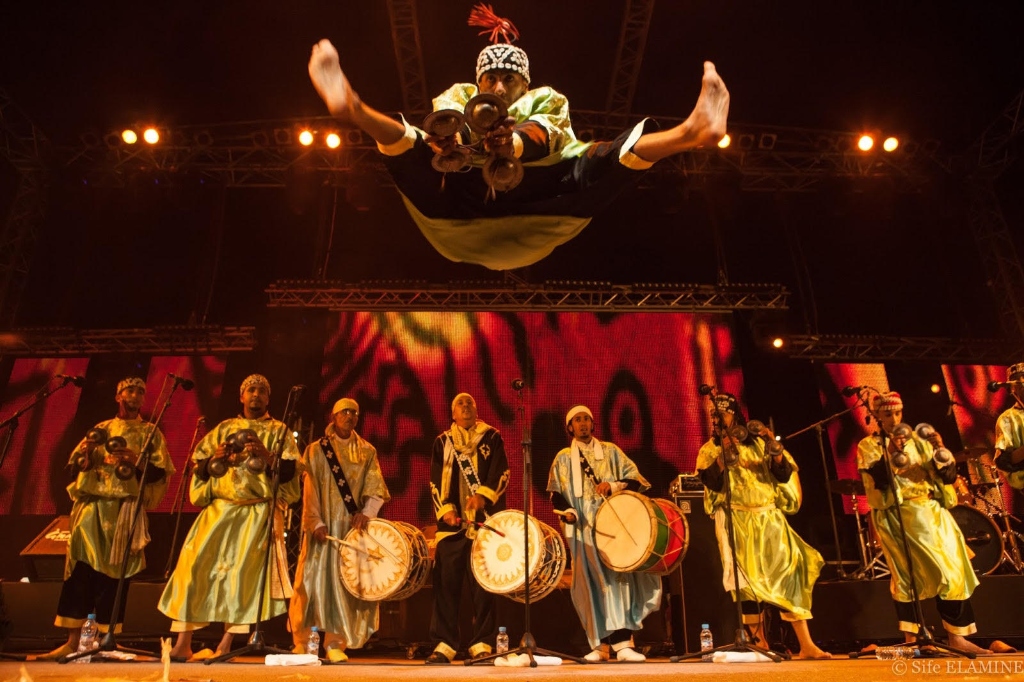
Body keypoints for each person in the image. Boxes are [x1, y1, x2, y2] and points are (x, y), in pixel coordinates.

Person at [307, 4, 729, 271]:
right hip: (458, 214)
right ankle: (354, 108)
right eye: (491, 77)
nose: (500, 85)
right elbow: (442, 123)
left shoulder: (546, 99)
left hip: (543, 208)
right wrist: (447, 142)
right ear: (479, 80)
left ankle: (689, 133)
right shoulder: (461, 96)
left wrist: (511, 145)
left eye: (510, 79)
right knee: (412, 145)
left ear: (524, 84)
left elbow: (547, 136)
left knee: (597, 159)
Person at [159, 374, 301, 661]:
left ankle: (225, 645)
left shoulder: (278, 430)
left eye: (262, 391)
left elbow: (289, 473)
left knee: (241, 578)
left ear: (268, 398)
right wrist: (217, 459)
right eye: (251, 390)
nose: (256, 395)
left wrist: (265, 454)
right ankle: (183, 643)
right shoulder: (224, 428)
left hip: (255, 512)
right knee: (193, 569)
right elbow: (199, 468)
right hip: (219, 511)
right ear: (242, 396)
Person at [39, 377, 174, 660]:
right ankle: (72, 640)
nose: (135, 395)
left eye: (140, 392)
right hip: (92, 507)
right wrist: (86, 457)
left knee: (115, 575)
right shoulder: (101, 429)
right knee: (80, 570)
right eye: (130, 390)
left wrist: (136, 459)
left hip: (123, 509)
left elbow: (160, 473)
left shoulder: (150, 433)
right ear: (118, 395)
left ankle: (106, 638)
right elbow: (75, 465)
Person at [695, 392, 830, 659]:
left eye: (722, 414)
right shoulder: (710, 449)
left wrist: (774, 449)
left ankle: (807, 645)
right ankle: (759, 643)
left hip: (769, 517)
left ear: (735, 414)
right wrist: (723, 454)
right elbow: (712, 483)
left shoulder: (757, 443)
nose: (717, 419)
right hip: (737, 518)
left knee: (790, 573)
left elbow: (783, 475)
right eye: (714, 415)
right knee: (745, 581)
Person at [856, 390, 990, 654]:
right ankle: (912, 639)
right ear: (877, 417)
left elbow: (948, 476)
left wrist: (940, 448)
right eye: (887, 415)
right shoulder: (869, 445)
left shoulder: (920, 441)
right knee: (909, 577)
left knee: (953, 570)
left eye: (897, 413)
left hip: (932, 512)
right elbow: (878, 482)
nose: (894, 419)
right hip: (899, 514)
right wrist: (892, 450)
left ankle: (957, 637)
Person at [546, 405, 658, 662]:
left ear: (593, 424)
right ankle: (599, 645)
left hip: (613, 526)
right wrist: (570, 512)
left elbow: (638, 481)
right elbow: (556, 495)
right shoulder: (563, 458)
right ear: (570, 427)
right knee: (590, 584)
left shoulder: (610, 451)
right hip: (582, 530)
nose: (583, 423)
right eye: (577, 420)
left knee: (619, 582)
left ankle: (623, 644)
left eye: (587, 419)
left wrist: (614, 485)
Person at [287, 397, 390, 663]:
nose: (350, 416)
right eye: (344, 412)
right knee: (310, 583)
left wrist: (366, 515)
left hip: (350, 531)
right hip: (322, 528)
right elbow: (309, 490)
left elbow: (376, 489)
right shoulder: (315, 450)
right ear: (333, 417)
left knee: (343, 587)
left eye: (354, 413)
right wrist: (315, 521)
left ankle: (335, 643)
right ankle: (302, 642)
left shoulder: (367, 451)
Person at [425, 392, 509, 664]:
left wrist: (483, 495)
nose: (466, 406)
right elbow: (436, 479)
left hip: (482, 524)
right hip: (451, 526)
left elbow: (501, 472)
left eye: (470, 402)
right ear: (453, 414)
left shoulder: (492, 437)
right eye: (460, 403)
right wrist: (446, 507)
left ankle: (482, 644)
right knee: (446, 587)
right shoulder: (442, 442)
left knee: (483, 588)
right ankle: (444, 644)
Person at [994, 362, 1024, 490]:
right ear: (1012, 387)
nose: (1023, 382)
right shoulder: (1007, 419)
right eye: (1018, 379)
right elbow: (1003, 461)